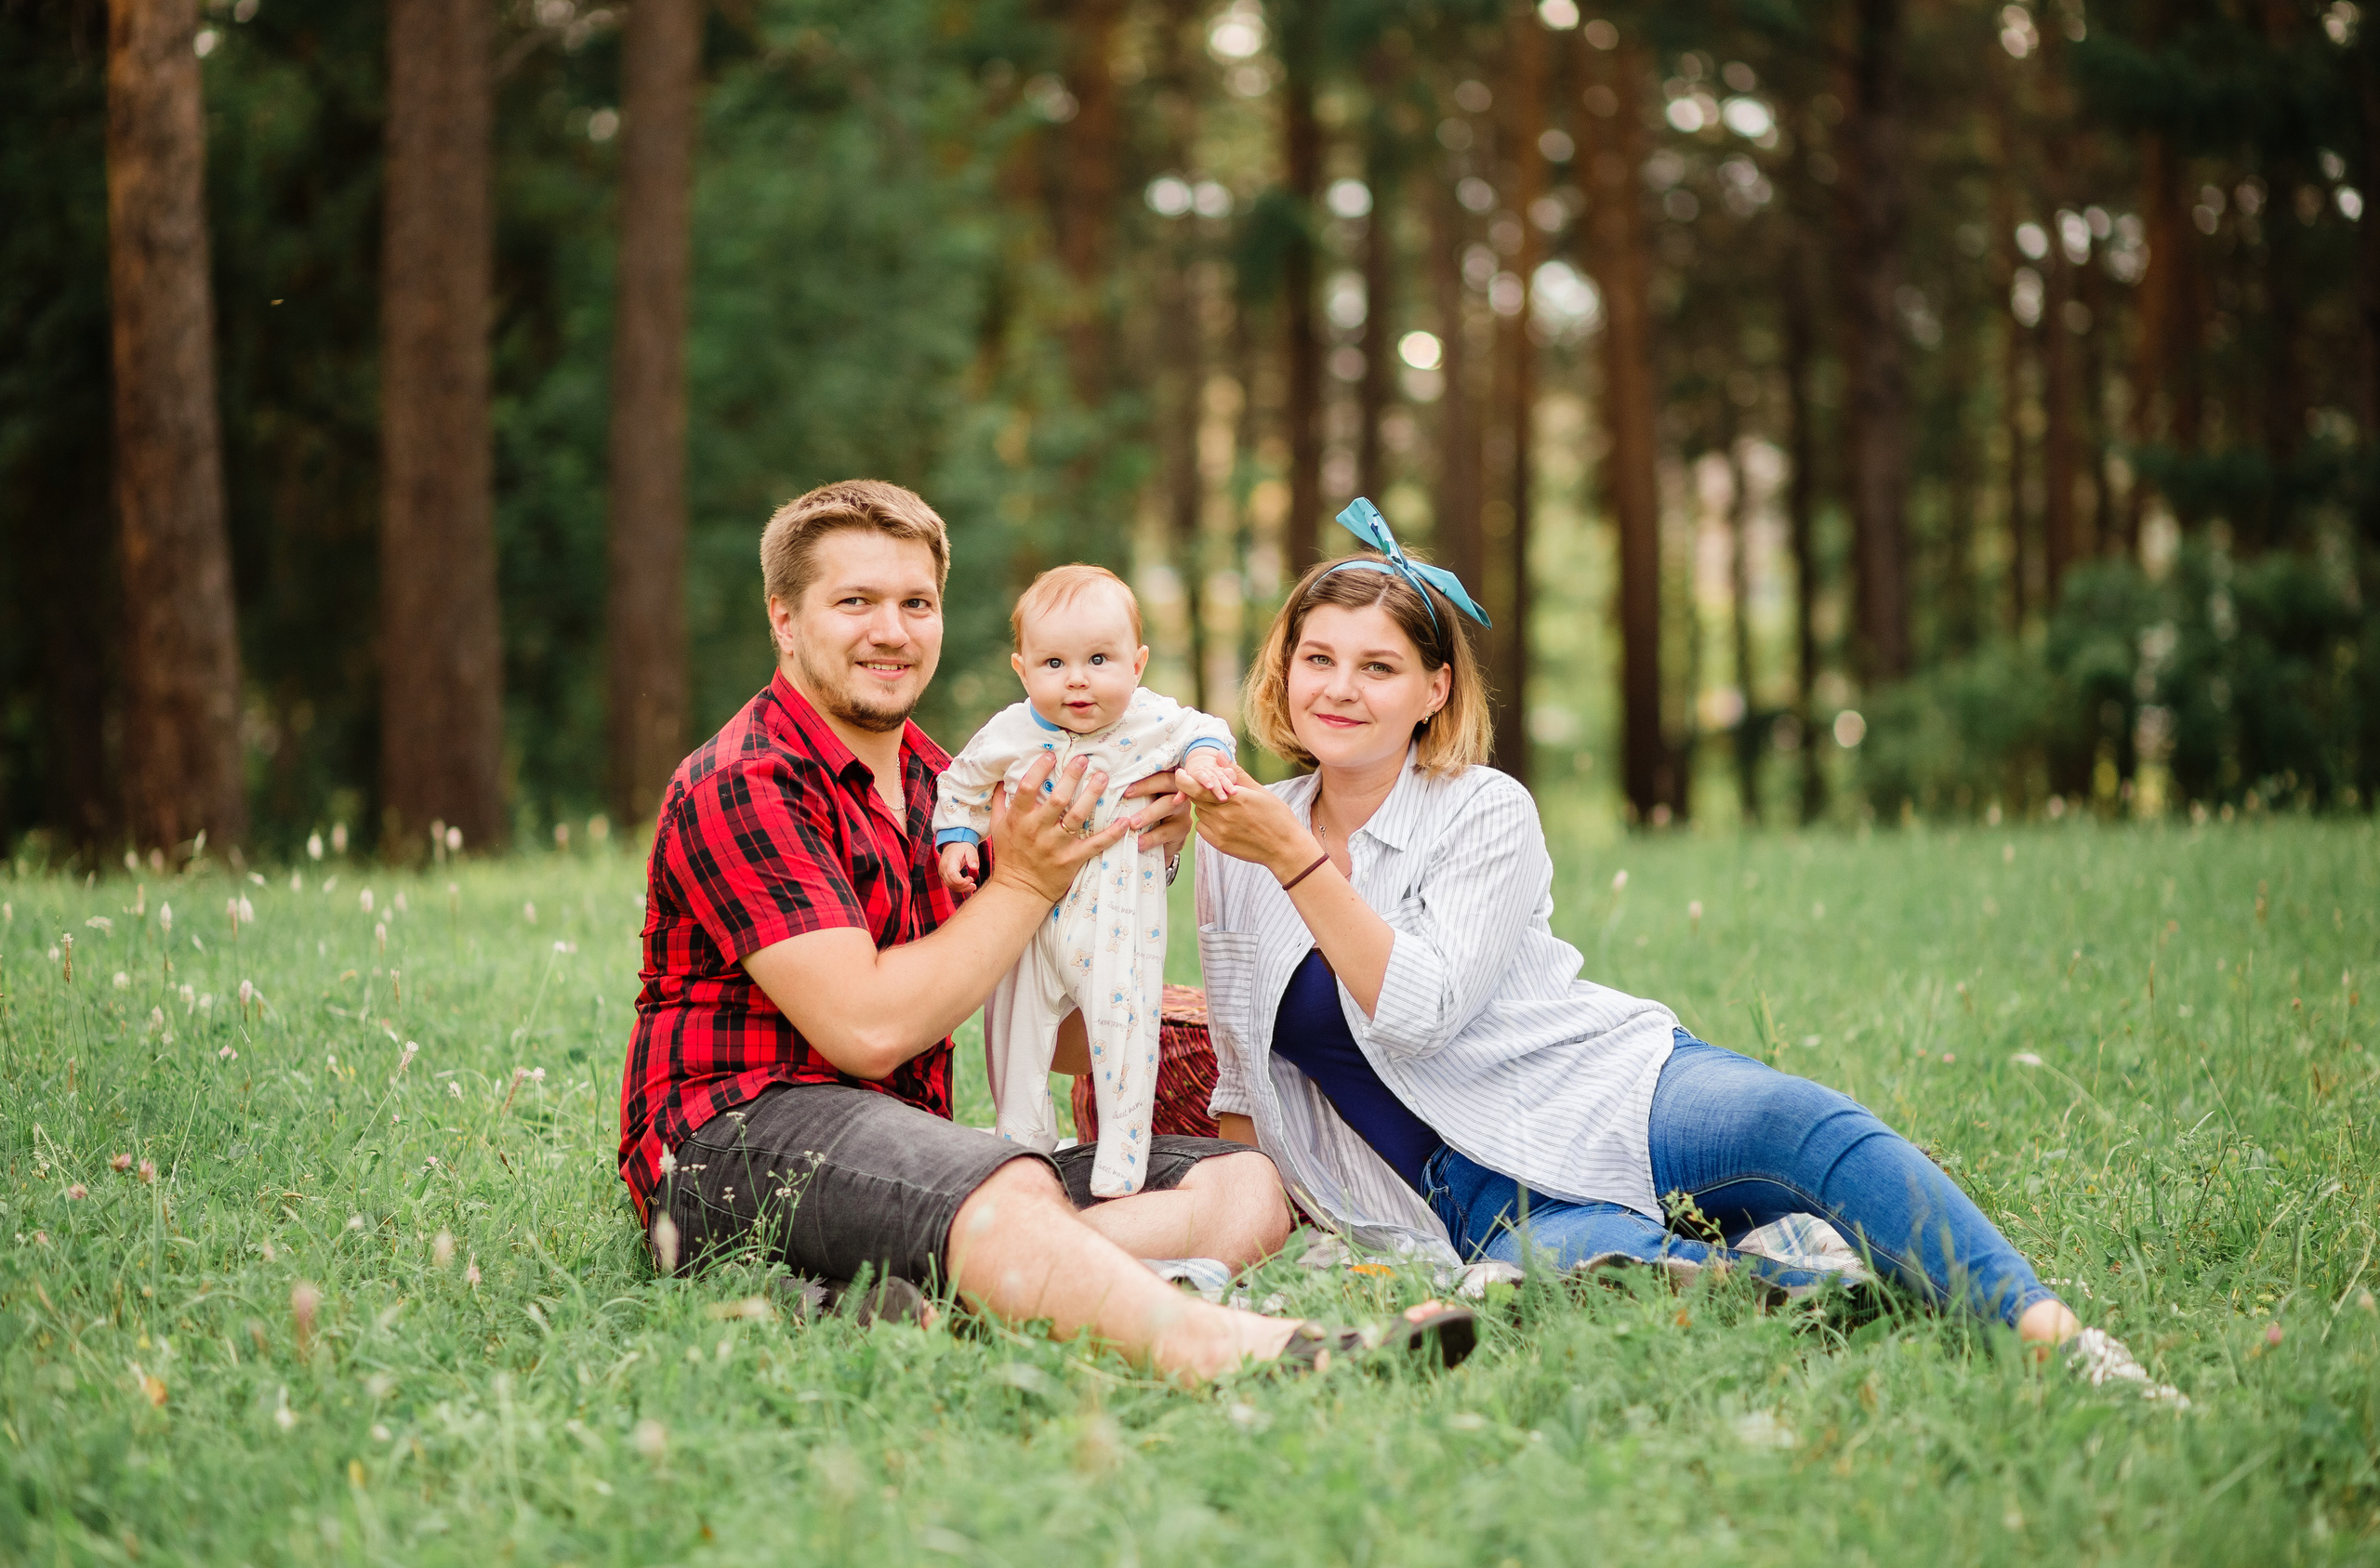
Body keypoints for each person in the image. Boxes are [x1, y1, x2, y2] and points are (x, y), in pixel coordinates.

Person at [1183, 499, 2175, 1396]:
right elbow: (1242, 1070)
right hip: (1467, 1202)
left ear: (1434, 690)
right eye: (1318, 659)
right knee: (1644, 1278)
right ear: (1285, 670)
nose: (1340, 690)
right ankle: (1870, 1302)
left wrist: (1298, 864)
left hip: (1601, 1091)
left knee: (1807, 1131)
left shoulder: (1482, 811)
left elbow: (1419, 1010)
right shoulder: (1243, 834)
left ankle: (2055, 1337)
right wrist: (1257, 1219)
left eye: (1377, 666)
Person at [616, 481, 1474, 1380]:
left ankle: (924, 1297)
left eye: (917, 603)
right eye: (855, 603)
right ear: (785, 621)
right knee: (1006, 1179)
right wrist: (1026, 880)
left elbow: (1029, 1000)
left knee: (1243, 1186)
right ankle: (1228, 1350)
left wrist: (1137, 874)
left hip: (911, 1158)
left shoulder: (943, 785)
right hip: (733, 1146)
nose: (892, 631)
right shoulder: (746, 780)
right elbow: (865, 1031)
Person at [933, 564, 1238, 1195]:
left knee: (1124, 1032)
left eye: (1099, 658)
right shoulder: (1011, 731)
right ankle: (1019, 1152)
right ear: (1022, 670)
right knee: (1014, 1033)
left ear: (1137, 663)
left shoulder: (1153, 720)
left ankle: (1119, 1171)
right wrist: (958, 838)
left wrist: (1205, 760)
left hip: (1118, 909)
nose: (1077, 678)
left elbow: (1208, 730)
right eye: (1053, 664)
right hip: (1024, 921)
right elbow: (960, 783)